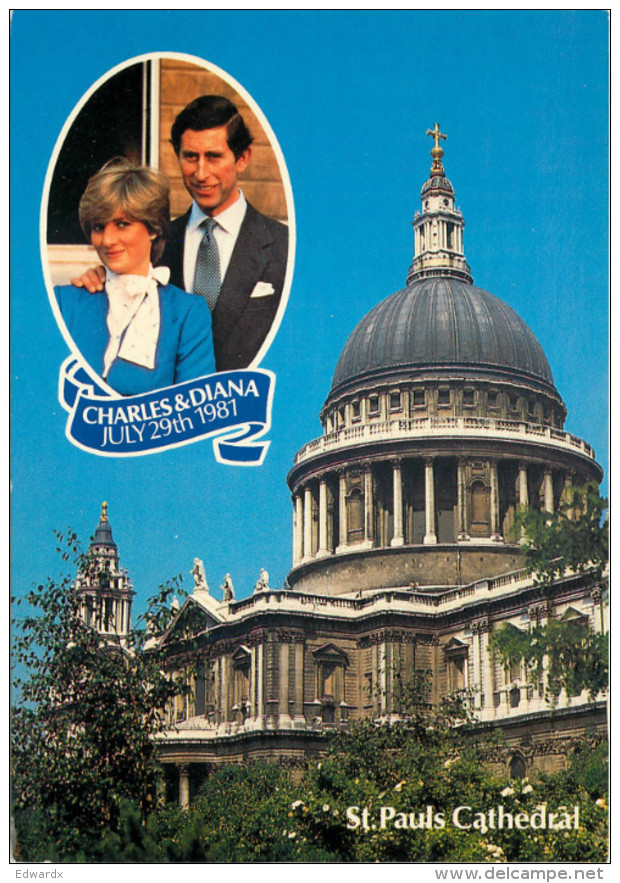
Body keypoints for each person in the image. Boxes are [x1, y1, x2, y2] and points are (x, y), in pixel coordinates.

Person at [72, 95, 289, 372]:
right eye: (190, 157)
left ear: (242, 158)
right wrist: (100, 279)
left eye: (213, 157)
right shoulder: (154, 241)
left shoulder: (284, 247)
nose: (200, 173)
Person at [56, 159, 215, 396]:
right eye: (99, 227)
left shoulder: (187, 313)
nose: (107, 240)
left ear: (152, 229)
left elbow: (194, 410)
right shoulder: (64, 301)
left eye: (122, 224)